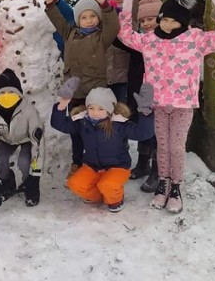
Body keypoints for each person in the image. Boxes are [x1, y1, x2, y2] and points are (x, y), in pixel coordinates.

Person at [119, 0, 215, 213]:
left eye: (173, 20)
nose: (167, 23)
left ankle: (176, 188)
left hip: (183, 105)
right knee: (162, 147)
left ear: (183, 21)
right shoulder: (150, 40)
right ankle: (163, 184)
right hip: (159, 105)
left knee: (176, 148)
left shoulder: (196, 39)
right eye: (164, 19)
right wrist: (126, 9)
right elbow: (125, 35)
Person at [43, 0, 120, 183]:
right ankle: (78, 162)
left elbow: (113, 25)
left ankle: (104, 165)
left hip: (96, 94)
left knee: (101, 131)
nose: (88, 20)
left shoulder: (102, 37)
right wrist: (49, 0)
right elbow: (56, 19)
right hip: (75, 93)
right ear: (77, 20)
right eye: (84, 17)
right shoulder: (70, 34)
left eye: (92, 16)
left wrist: (103, 2)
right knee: (77, 131)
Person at [51, 79, 155, 212]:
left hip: (117, 167)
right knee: (74, 183)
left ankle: (115, 199)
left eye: (101, 108)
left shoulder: (119, 124)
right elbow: (60, 124)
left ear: (110, 109)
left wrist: (145, 112)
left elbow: (144, 133)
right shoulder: (83, 121)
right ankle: (98, 196)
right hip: (93, 166)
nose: (95, 112)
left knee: (108, 185)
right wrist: (62, 104)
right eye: (91, 108)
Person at [0, 69, 45, 209]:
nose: (7, 97)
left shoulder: (29, 110)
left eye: (12, 92)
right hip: (6, 139)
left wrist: (35, 177)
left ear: (19, 94)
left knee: (24, 162)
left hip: (25, 139)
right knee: (1, 161)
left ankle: (29, 184)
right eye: (2, 93)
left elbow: (38, 143)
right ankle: (7, 182)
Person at [126, 0, 162, 193]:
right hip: (139, 92)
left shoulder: (167, 41)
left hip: (159, 95)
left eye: (151, 19)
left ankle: (157, 171)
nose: (147, 23)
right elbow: (118, 38)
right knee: (143, 129)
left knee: (157, 133)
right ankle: (142, 162)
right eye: (143, 20)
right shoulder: (137, 40)